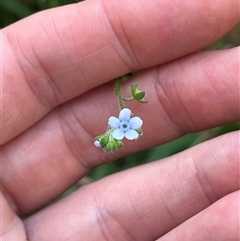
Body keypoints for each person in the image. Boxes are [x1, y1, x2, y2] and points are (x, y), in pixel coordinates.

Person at [1, 0, 239, 240]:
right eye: (121, 128)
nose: (123, 126)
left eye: (123, 127)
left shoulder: (124, 120)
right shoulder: (122, 121)